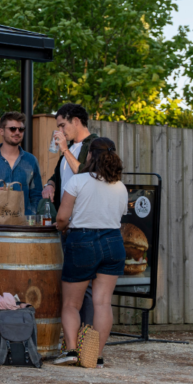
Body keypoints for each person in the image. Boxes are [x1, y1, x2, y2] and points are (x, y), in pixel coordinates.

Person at [54, 138, 127, 367]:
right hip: (114, 242)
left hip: (83, 241)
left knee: (71, 304)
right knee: (103, 303)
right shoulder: (121, 186)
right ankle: (95, 355)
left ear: (90, 156)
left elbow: (62, 218)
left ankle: (72, 351)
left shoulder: (78, 181)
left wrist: (62, 228)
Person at [42, 103, 99, 325]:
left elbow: (85, 174)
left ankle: (87, 340)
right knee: (73, 287)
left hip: (84, 226)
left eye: (62, 125)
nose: (60, 131)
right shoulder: (71, 148)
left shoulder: (93, 144)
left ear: (76, 121)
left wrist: (64, 148)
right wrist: (50, 184)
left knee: (85, 288)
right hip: (67, 226)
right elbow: (58, 174)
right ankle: (75, 339)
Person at [0, 111, 43, 215]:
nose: (17, 132)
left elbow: (37, 195)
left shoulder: (31, 161)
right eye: (12, 129)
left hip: (23, 226)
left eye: (21, 129)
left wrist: (32, 217)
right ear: (1, 131)